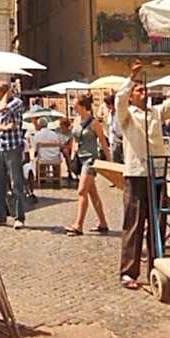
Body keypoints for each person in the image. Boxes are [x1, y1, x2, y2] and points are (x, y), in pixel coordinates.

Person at [116, 59, 170, 289]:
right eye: (139, 90)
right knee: (134, 223)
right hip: (136, 174)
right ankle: (128, 272)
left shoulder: (156, 113)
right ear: (132, 95)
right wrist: (131, 78)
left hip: (157, 173)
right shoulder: (126, 115)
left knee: (158, 223)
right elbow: (119, 100)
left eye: (144, 89)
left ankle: (156, 267)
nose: (143, 92)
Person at [65, 94, 111, 237]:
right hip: (80, 159)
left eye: (75, 104)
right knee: (92, 193)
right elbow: (74, 138)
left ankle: (78, 225)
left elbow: (103, 142)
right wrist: (72, 155)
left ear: (83, 106)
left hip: (90, 160)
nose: (73, 106)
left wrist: (109, 161)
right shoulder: (77, 120)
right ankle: (103, 223)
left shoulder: (94, 123)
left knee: (81, 191)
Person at [0, 80, 27, 229]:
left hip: (13, 147)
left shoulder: (17, 102)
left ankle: (19, 217)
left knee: (16, 183)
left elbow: (5, 108)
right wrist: (4, 127)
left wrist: (6, 95)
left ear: (4, 93)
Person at [104, 93, 124, 164]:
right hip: (112, 140)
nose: (107, 106)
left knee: (118, 162)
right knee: (114, 162)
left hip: (119, 140)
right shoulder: (110, 113)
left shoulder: (119, 113)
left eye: (108, 104)